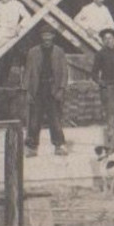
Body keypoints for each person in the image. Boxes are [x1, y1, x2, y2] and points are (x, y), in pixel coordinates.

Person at [24, 26, 69, 157]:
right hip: (37, 89)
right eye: (44, 35)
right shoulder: (33, 52)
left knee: (55, 119)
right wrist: (26, 90)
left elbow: (65, 72)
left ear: (53, 37)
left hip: (52, 90)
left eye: (49, 36)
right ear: (41, 37)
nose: (47, 38)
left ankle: (59, 145)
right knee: (34, 120)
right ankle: (32, 147)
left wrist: (61, 89)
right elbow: (28, 71)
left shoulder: (59, 52)